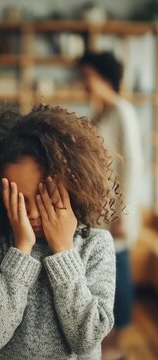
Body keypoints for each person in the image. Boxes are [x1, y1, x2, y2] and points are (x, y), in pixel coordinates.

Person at [0, 103, 119, 360]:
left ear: (71, 186)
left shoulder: (97, 244)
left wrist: (64, 251)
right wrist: (21, 249)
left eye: (44, 197)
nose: (34, 213)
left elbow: (87, 338)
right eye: (19, 200)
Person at [78, 51, 143, 360]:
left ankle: (119, 343)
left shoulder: (122, 111)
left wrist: (123, 215)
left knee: (120, 277)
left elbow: (132, 165)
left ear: (104, 78)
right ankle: (105, 340)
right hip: (99, 217)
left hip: (117, 217)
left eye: (87, 76)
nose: (83, 84)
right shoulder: (101, 114)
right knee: (104, 276)